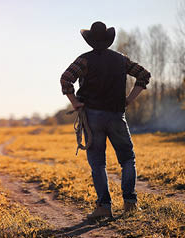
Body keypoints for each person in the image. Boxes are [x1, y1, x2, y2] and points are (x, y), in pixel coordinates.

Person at [60, 21, 151, 219]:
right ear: (109, 40)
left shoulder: (84, 60)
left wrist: (74, 102)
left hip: (92, 117)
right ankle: (130, 204)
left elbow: (66, 79)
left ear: (91, 41)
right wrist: (129, 99)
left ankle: (104, 207)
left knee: (98, 164)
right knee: (127, 160)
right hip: (116, 115)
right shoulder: (121, 60)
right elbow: (144, 75)